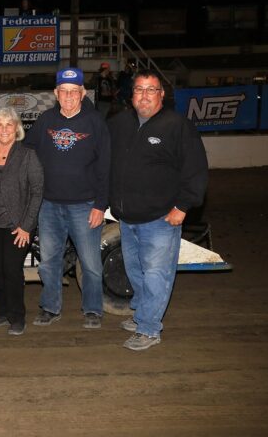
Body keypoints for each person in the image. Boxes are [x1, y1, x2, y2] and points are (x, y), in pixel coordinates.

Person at [109, 69, 208, 351]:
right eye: (139, 89)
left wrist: (183, 206)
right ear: (132, 94)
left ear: (161, 95)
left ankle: (150, 329)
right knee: (136, 272)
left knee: (156, 275)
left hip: (161, 218)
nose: (144, 95)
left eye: (151, 90)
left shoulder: (177, 126)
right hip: (127, 218)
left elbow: (196, 171)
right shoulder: (119, 124)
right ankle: (143, 314)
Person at [24, 68, 110, 329]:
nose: (69, 96)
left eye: (75, 92)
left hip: (84, 205)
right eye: (64, 91)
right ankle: (50, 307)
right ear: (56, 93)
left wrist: (100, 205)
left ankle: (93, 309)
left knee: (91, 263)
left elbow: (106, 166)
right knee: (49, 261)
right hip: (49, 205)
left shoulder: (95, 122)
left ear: (82, 93)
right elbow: (27, 149)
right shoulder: (45, 120)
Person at [0, 107, 44, 336]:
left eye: (9, 124)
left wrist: (26, 226)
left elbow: (37, 191)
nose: (4, 129)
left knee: (12, 270)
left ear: (17, 129)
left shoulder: (28, 155)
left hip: (18, 226)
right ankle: (2, 311)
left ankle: (17, 316)